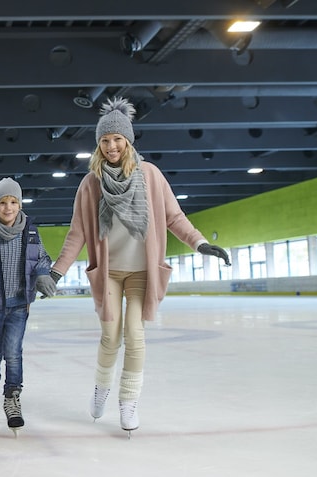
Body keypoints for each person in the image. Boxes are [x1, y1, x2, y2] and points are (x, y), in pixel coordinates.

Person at [49, 97, 230, 437]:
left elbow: (174, 217)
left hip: (141, 272)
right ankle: (101, 388)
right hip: (110, 272)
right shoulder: (91, 184)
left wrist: (200, 243)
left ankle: (128, 401)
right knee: (110, 336)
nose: (111, 145)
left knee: (135, 335)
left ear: (128, 141)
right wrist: (57, 272)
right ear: (99, 145)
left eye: (117, 139)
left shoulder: (150, 176)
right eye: (105, 140)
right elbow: (78, 233)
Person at [0, 178, 57, 434]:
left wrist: (42, 274)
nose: (8, 207)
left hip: (19, 305)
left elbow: (43, 258)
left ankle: (12, 397)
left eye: (13, 202)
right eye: (3, 202)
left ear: (20, 203)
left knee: (13, 353)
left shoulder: (31, 230)